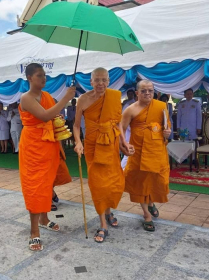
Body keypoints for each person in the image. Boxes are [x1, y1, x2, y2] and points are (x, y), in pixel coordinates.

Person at [18, 63, 75, 251]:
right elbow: (44, 116)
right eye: (39, 75)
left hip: (49, 144)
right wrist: (66, 97)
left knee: (47, 184)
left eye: (44, 75)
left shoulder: (47, 96)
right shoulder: (26, 98)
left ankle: (44, 218)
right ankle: (34, 232)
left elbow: (53, 115)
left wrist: (59, 119)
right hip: (33, 145)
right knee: (35, 186)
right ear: (29, 78)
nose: (44, 79)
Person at [73, 67, 125, 243]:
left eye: (104, 80)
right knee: (97, 185)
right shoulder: (83, 99)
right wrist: (78, 141)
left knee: (111, 182)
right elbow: (76, 126)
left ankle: (108, 212)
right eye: (97, 80)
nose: (101, 83)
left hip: (110, 144)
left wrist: (124, 143)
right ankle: (103, 223)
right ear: (91, 81)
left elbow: (118, 124)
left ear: (108, 81)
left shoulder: (114, 97)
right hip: (92, 145)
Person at [121, 79, 171, 232]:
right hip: (138, 153)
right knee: (140, 183)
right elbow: (120, 130)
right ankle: (146, 214)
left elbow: (166, 127)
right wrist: (124, 145)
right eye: (143, 91)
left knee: (158, 180)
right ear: (137, 93)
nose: (147, 93)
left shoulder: (161, 106)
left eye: (150, 90)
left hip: (157, 151)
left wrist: (167, 133)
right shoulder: (130, 109)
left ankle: (150, 202)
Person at [121, 89, 136, 169]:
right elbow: (123, 120)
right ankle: (120, 171)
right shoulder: (128, 105)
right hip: (130, 132)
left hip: (139, 135)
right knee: (128, 153)